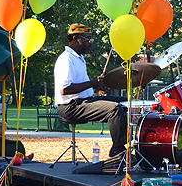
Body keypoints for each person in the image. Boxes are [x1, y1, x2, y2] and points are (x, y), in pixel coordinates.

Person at [54, 23, 128, 158]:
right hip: (70, 107)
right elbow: (64, 90)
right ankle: (119, 151)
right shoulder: (67, 59)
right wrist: (92, 83)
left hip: (83, 101)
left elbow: (82, 85)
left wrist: (97, 86)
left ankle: (118, 146)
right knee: (114, 109)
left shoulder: (79, 58)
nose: (90, 42)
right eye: (87, 38)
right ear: (75, 38)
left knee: (124, 103)